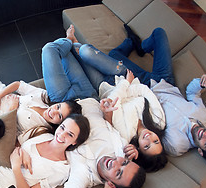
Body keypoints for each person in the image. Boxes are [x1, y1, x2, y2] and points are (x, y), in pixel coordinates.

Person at [78, 26, 206, 167]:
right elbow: (192, 93)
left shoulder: (176, 145)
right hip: (165, 81)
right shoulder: (203, 116)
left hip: (143, 86)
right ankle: (141, 48)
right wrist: (201, 84)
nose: (204, 134)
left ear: (200, 151)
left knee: (114, 55)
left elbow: (148, 143)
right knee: (159, 33)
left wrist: (134, 150)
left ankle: (130, 42)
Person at [42, 25, 167, 172]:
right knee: (85, 51)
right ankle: (72, 41)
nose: (149, 137)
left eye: (147, 145)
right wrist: (126, 84)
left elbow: (112, 105)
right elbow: (144, 90)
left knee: (68, 55)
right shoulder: (159, 121)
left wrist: (124, 91)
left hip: (101, 90)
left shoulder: (124, 135)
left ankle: (70, 41)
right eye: (155, 141)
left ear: (139, 149)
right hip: (122, 78)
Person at [59, 98, 146, 188]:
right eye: (124, 163)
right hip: (91, 99)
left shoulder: (85, 173)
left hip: (63, 104)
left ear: (112, 184)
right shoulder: (121, 150)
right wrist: (107, 113)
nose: (116, 163)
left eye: (118, 173)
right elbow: (108, 128)